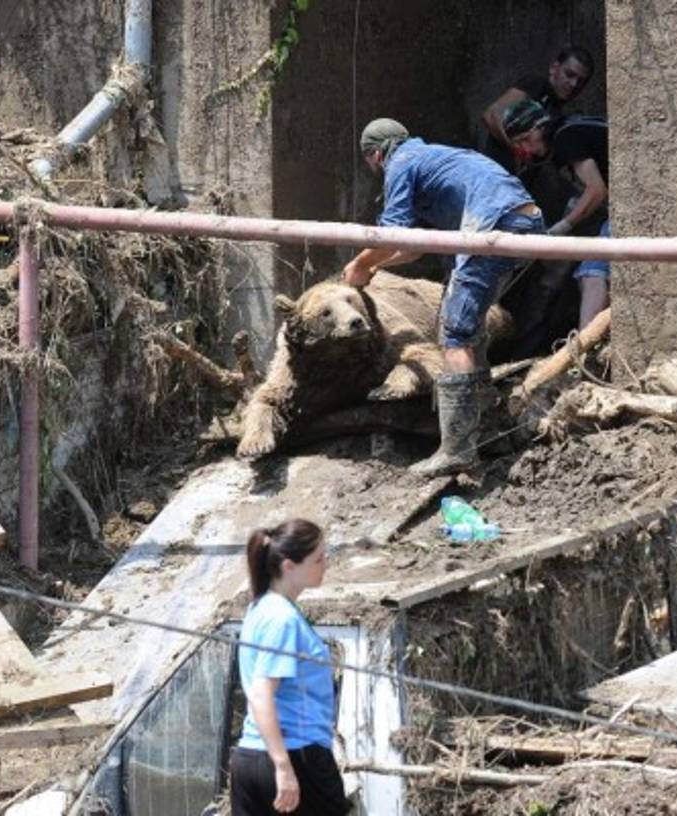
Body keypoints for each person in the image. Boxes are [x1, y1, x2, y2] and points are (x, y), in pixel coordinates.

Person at [343, 118, 544, 477]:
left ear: (375, 155)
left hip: (492, 226)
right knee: (471, 333)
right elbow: (412, 249)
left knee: (455, 338)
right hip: (522, 220)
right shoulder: (433, 160)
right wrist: (374, 267)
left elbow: (392, 235)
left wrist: (359, 264)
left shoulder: (401, 162)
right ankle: (488, 432)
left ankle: (457, 449)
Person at [230, 519, 348, 816]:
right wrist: (283, 768)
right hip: (296, 757)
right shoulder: (282, 619)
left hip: (250, 760)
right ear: (288, 566)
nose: (326, 564)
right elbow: (261, 694)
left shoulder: (260, 609)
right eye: (319, 558)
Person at [504, 99, 610, 330]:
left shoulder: (566, 138)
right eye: (519, 144)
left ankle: (585, 349)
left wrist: (564, 225)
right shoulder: (571, 129)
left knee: (593, 271)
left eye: (526, 139)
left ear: (541, 127)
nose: (527, 149)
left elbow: (597, 190)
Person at [481, 45, 595, 171]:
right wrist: (515, 148)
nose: (574, 84)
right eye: (569, 74)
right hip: (493, 173)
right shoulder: (537, 85)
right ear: (554, 68)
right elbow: (491, 114)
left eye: (581, 81)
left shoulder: (558, 112)